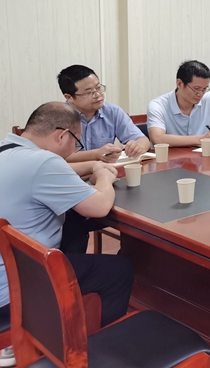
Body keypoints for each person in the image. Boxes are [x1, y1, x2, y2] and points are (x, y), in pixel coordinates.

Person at [0, 103, 134, 366]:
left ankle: (64, 317)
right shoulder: (44, 162)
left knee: (73, 223)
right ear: (62, 135)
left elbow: (56, 174)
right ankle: (99, 351)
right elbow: (99, 207)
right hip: (14, 285)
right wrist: (105, 178)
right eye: (76, 143)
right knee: (119, 270)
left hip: (8, 264)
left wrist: (94, 165)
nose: (75, 150)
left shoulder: (8, 149)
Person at [58, 65, 151, 164]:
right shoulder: (58, 117)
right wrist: (97, 154)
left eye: (98, 88)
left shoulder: (112, 112)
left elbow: (143, 140)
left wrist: (137, 146)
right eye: (88, 92)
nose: (98, 95)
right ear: (69, 97)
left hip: (107, 170)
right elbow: (59, 156)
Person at [147, 60, 210, 147]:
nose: (200, 94)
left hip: (203, 157)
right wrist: (201, 139)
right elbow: (158, 139)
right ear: (179, 84)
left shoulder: (209, 98)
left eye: (204, 89)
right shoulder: (158, 106)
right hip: (172, 158)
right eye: (196, 89)